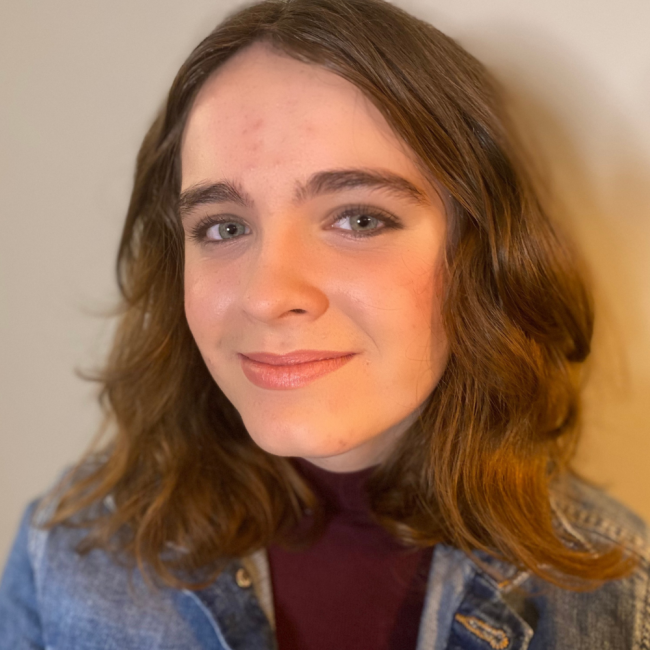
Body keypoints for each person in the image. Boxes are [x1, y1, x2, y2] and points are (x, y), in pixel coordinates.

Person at [0, 0, 648, 648]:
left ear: (482, 251)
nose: (268, 296)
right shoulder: (65, 557)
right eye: (223, 227)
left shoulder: (621, 601)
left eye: (359, 219)